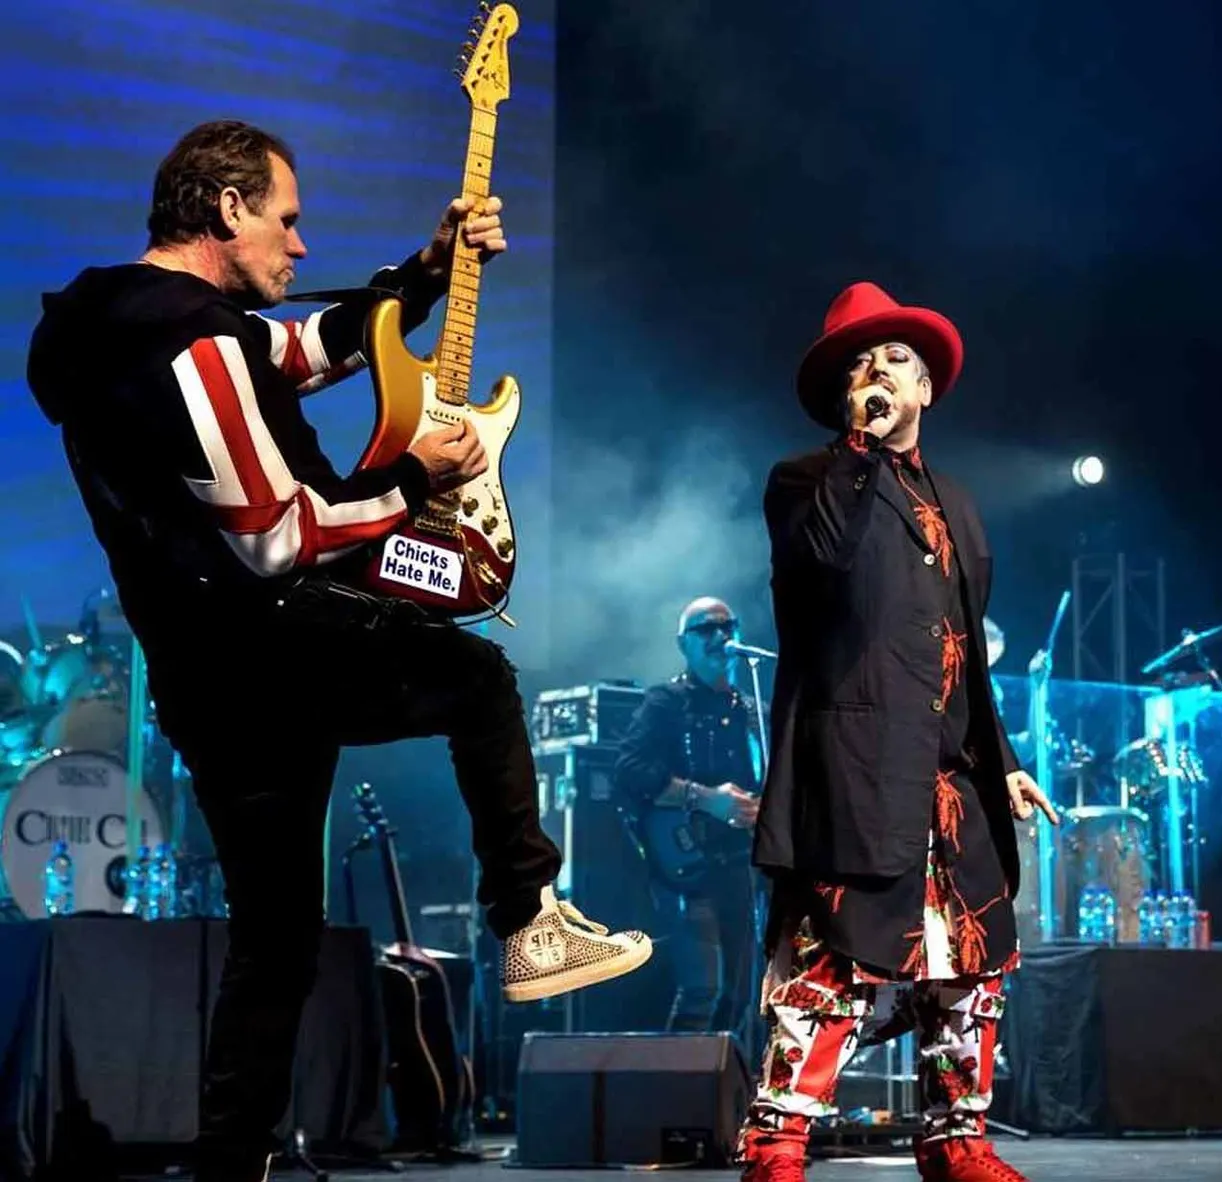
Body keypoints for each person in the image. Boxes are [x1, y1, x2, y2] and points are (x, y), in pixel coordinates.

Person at [26, 120, 651, 1181]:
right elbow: (275, 539)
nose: (300, 246)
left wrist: (429, 272)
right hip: (277, 649)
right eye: (287, 218)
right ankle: (527, 915)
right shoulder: (198, 341)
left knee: (275, 942)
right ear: (228, 211)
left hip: (199, 676)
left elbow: (314, 346)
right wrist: (417, 482)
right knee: (479, 677)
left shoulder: (104, 327)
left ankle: (230, 1163)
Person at [736, 282, 1057, 1182]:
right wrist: (858, 450)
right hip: (854, 769)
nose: (879, 372)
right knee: (832, 964)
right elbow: (823, 564)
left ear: (927, 390)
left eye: (896, 361)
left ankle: (958, 1141)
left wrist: (1003, 767)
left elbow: (964, 650)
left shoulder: (958, 501)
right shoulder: (807, 480)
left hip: (948, 778)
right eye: (861, 365)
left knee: (968, 965)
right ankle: (777, 1145)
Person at [614, 596, 766, 1040]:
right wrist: (704, 799)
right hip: (688, 864)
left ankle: (724, 1098)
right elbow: (628, 771)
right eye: (706, 629)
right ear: (684, 644)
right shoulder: (666, 703)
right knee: (704, 990)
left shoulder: (753, 710)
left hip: (743, 866)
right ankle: (675, 1101)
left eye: (728, 626)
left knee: (742, 996)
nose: (720, 636)